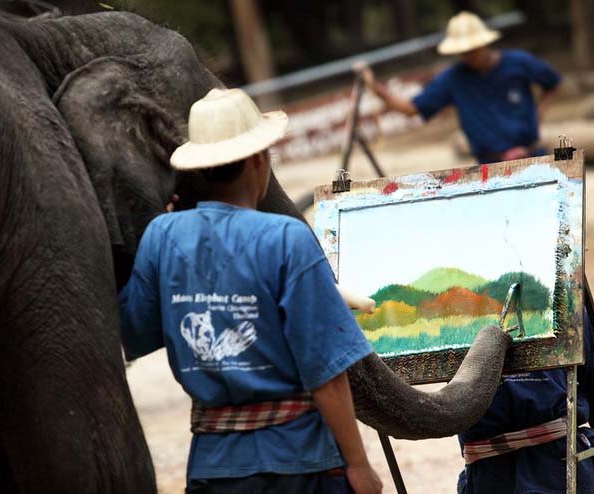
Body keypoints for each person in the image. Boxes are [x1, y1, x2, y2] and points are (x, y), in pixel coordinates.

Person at [118, 88, 383, 494]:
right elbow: (327, 375)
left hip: (213, 468)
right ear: (261, 159)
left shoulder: (162, 236)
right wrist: (359, 466)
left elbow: (133, 333)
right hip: (301, 465)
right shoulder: (286, 239)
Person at [457, 310, 594, 493]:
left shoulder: (450, 312)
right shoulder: (566, 297)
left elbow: (458, 421)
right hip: (561, 464)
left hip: (485, 475)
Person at [360, 11, 560, 164]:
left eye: (473, 49)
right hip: (490, 166)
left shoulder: (519, 63)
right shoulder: (453, 79)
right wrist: (376, 88)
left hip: (533, 156)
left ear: (484, 43)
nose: (469, 55)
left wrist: (538, 114)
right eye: (463, 51)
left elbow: (553, 82)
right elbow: (411, 109)